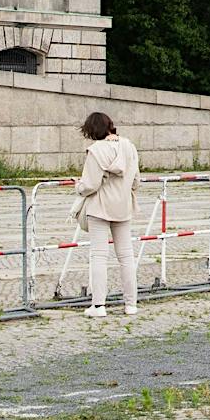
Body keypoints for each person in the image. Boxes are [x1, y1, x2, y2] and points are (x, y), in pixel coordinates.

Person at [74, 110, 141, 318]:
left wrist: (78, 187)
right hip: (123, 206)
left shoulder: (95, 151)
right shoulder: (129, 147)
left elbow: (91, 185)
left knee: (99, 256)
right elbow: (136, 180)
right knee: (126, 256)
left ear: (92, 131)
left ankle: (99, 306)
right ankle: (131, 304)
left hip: (100, 207)